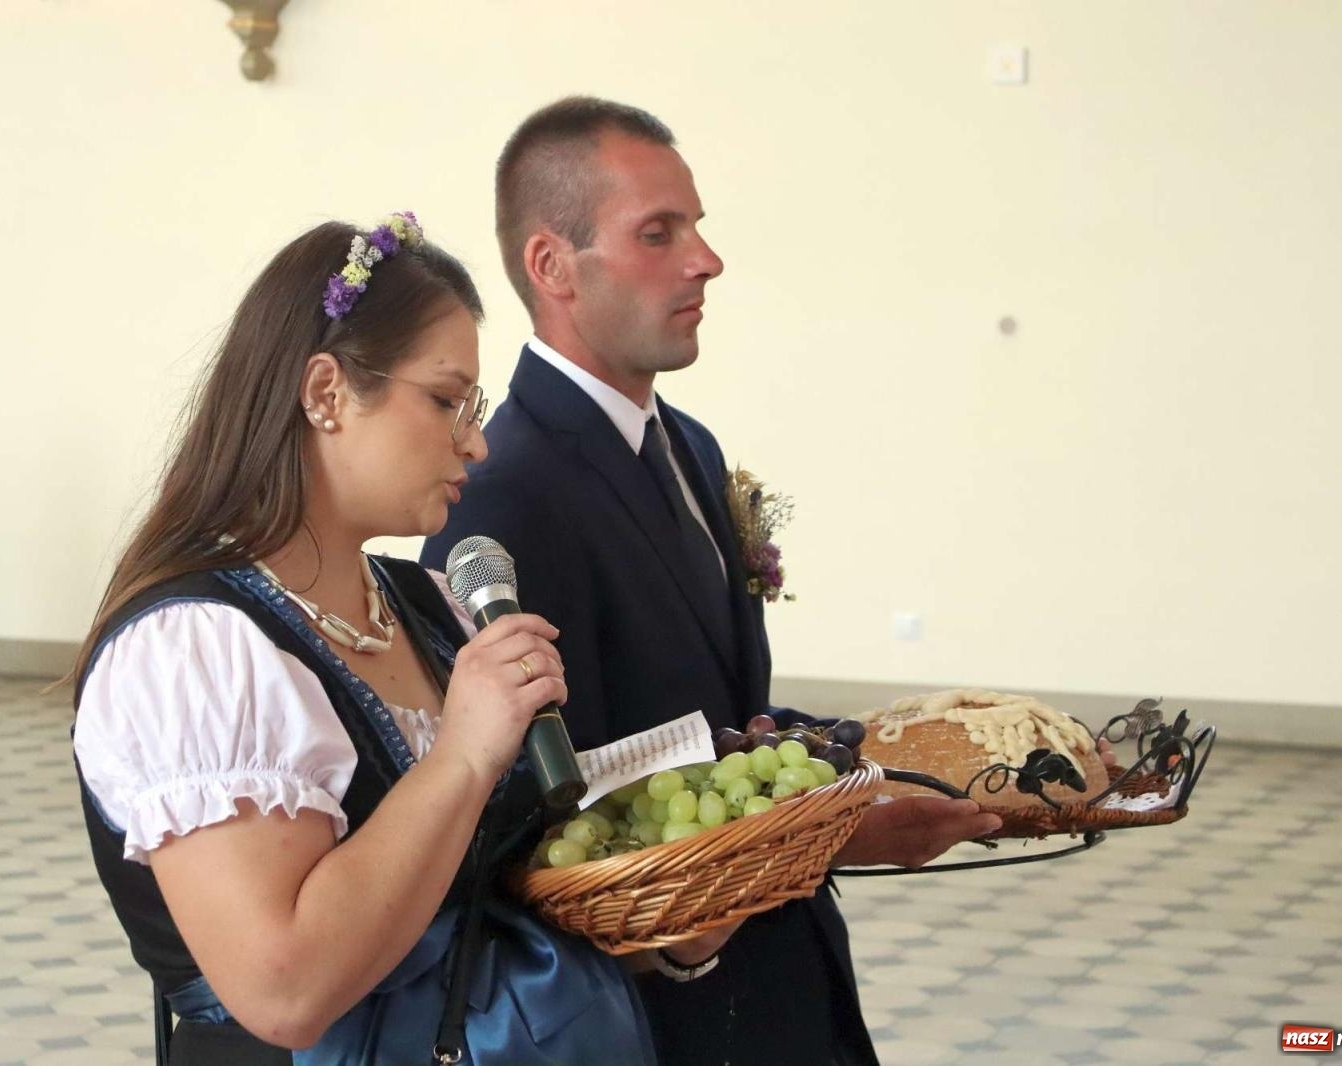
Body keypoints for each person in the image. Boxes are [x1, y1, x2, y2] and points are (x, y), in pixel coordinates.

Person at [420, 98, 1004, 1066]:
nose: (706, 260)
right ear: (552, 265)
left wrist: (868, 769)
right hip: (663, 1007)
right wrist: (833, 836)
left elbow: (711, 720)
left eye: (695, 226)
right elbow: (558, 812)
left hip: (785, 969)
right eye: (658, 233)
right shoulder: (505, 492)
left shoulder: (688, 444)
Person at [69, 214, 730, 1065]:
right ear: (326, 393)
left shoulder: (428, 605)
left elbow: (488, 905)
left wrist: (673, 933)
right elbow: (284, 992)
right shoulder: (194, 651)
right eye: (446, 401)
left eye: (473, 408)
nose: (476, 443)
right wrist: (463, 755)